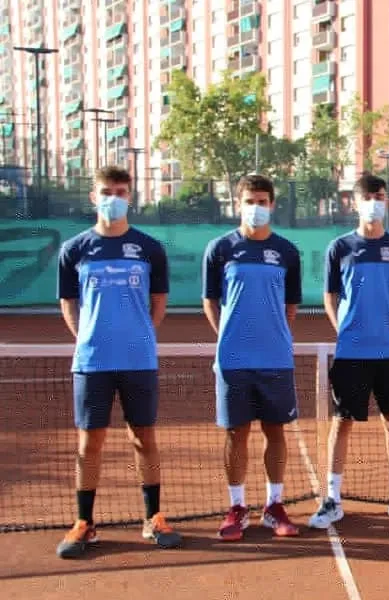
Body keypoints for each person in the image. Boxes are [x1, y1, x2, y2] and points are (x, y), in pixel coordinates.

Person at [55, 165, 181, 559]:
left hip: (138, 361)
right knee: (89, 442)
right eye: (107, 192)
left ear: (131, 197)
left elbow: (158, 302)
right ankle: (84, 523)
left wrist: (141, 335)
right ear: (94, 197)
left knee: (144, 438)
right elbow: (68, 303)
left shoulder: (149, 248)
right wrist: (87, 337)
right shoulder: (74, 249)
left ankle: (153, 518)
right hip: (92, 361)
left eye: (121, 192)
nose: (114, 198)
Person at [308, 173, 389, 528]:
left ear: (386, 201)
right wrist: (343, 329)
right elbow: (330, 296)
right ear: (356, 204)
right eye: (369, 197)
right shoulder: (339, 248)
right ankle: (332, 500)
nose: (375, 203)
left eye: (380, 196)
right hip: (352, 353)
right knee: (342, 423)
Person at [202, 174, 303, 541]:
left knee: (275, 431)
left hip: (275, 359)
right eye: (249, 201)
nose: (256, 208)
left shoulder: (287, 252)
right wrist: (228, 337)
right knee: (236, 433)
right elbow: (211, 301)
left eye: (262, 202)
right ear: (237, 204)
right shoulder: (220, 249)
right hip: (233, 360)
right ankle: (237, 507)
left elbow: (291, 306)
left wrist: (274, 337)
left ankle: (274, 506)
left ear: (272, 205)